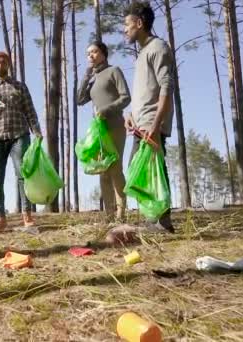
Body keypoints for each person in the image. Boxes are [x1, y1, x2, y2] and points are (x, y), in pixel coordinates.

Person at [123, 1, 175, 233]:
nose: (125, 29)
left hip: (152, 124)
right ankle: (153, 218)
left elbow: (166, 87)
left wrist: (155, 125)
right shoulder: (143, 52)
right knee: (139, 170)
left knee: (155, 171)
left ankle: (163, 223)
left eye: (127, 24)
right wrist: (130, 115)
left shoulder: (158, 48)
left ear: (140, 23)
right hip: (139, 124)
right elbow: (146, 90)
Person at [0, 51, 43, 231]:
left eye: (3, 62)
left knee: (23, 174)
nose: (0, 65)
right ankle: (0, 217)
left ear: (8, 65)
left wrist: (37, 131)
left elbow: (30, 110)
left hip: (19, 136)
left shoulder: (20, 87)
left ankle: (27, 215)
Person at [77, 41, 131, 222]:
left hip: (115, 124)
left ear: (103, 53)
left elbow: (126, 97)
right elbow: (79, 100)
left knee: (115, 168)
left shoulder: (113, 71)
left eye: (94, 52)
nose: (90, 56)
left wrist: (107, 109)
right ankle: (108, 216)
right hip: (99, 129)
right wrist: (86, 77)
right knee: (103, 171)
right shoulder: (92, 77)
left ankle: (121, 215)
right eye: (88, 53)